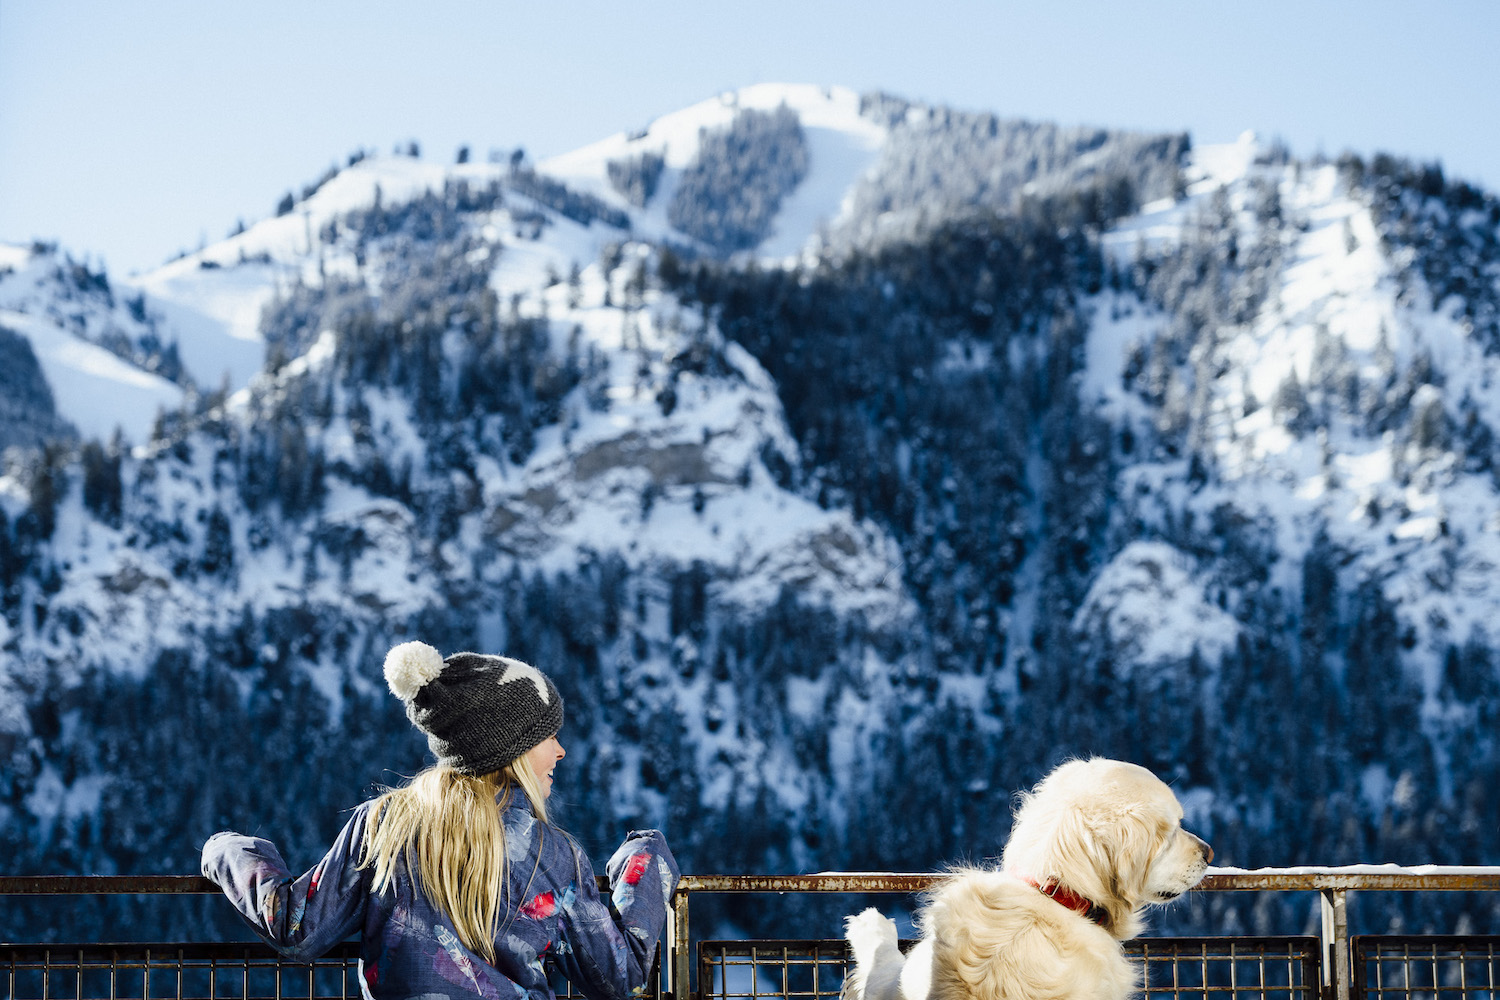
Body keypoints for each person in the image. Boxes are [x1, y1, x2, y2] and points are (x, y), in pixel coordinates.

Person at [202, 640, 680, 1000]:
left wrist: (229, 850)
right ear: (507, 750)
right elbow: (620, 978)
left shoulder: (385, 825)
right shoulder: (552, 853)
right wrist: (647, 856)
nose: (560, 750)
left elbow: (295, 928)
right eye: (546, 736)